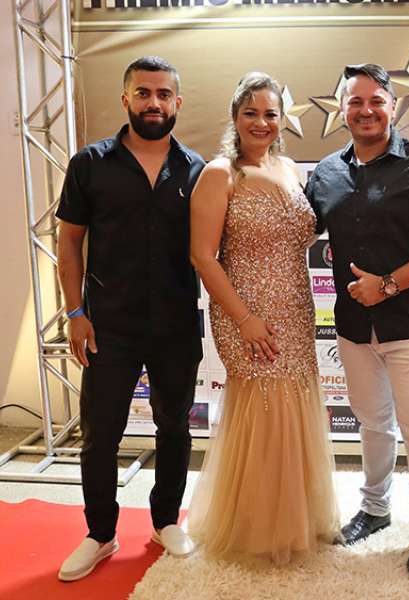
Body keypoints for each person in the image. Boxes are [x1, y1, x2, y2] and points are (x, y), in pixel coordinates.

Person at [305, 63, 409, 576]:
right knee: (372, 422)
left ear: (393, 107)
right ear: (342, 110)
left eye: (376, 100)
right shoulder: (326, 173)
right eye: (355, 101)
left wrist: (388, 284)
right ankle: (375, 508)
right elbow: (297, 231)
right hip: (353, 327)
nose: (366, 110)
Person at [56, 56, 205, 581]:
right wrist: (75, 312)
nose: (153, 102)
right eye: (143, 93)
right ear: (126, 99)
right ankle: (100, 534)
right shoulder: (89, 164)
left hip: (176, 326)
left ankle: (165, 522)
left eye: (163, 94)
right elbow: (69, 244)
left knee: (174, 427)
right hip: (108, 327)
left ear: (177, 102)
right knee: (100, 434)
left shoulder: (198, 170)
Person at [186, 72, 340, 561]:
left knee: (294, 406)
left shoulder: (290, 167)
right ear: (235, 117)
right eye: (250, 112)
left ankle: (297, 519)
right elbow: (202, 256)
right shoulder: (219, 173)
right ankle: (259, 529)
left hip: (295, 306)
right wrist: (245, 319)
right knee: (264, 409)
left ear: (282, 119)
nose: (261, 122)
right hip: (246, 311)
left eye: (270, 113)